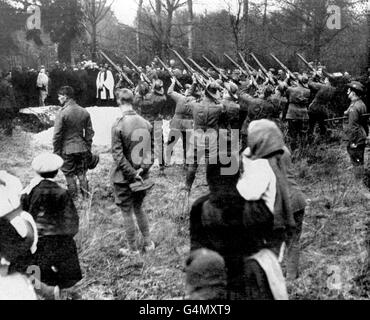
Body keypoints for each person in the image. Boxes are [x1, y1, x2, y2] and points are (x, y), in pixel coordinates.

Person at [21, 153, 82, 296]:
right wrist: (65, 238)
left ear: (37, 171)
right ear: (56, 172)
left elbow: (22, 220)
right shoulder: (62, 192)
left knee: (38, 280)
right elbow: (72, 223)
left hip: (37, 245)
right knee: (67, 281)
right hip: (61, 243)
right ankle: (66, 293)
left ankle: (44, 293)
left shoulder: (28, 192)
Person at [111, 88, 155, 255]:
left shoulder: (118, 124)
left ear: (119, 102)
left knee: (126, 211)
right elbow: (151, 150)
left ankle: (132, 249)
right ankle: (148, 243)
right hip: (142, 177)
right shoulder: (146, 123)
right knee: (139, 207)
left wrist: (131, 173)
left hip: (123, 177)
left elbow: (117, 154)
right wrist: (142, 170)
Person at [0, 170, 38, 300]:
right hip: (25, 261)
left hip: (13, 262)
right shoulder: (24, 217)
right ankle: (40, 289)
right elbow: (33, 244)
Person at [53, 86, 95, 200]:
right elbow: (90, 132)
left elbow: (57, 135)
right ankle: (86, 199)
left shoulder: (62, 113)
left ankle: (74, 200)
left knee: (69, 175)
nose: (58, 98)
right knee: (82, 174)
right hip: (82, 148)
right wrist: (87, 147)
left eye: (60, 96)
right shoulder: (84, 111)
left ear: (65, 97)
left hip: (67, 149)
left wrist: (56, 152)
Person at [166, 77, 195, 167]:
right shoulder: (196, 101)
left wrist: (173, 83)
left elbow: (169, 92)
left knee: (170, 143)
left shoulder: (180, 98)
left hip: (176, 124)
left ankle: (167, 161)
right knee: (187, 145)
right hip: (188, 125)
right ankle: (186, 163)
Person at [344, 81, 368, 181]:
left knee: (356, 160)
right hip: (361, 136)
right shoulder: (360, 103)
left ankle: (359, 183)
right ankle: (360, 179)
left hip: (356, 138)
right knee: (359, 160)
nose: (347, 92)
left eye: (348, 91)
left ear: (353, 93)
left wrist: (353, 141)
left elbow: (353, 126)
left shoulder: (354, 107)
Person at [0, 71, 17, 136]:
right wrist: (15, 105)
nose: (10, 76)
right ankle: (8, 134)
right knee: (9, 119)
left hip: (1, 104)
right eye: (9, 75)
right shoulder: (8, 85)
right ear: (7, 76)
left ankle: (2, 132)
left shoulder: (1, 83)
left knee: (3, 119)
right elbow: (12, 96)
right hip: (8, 104)